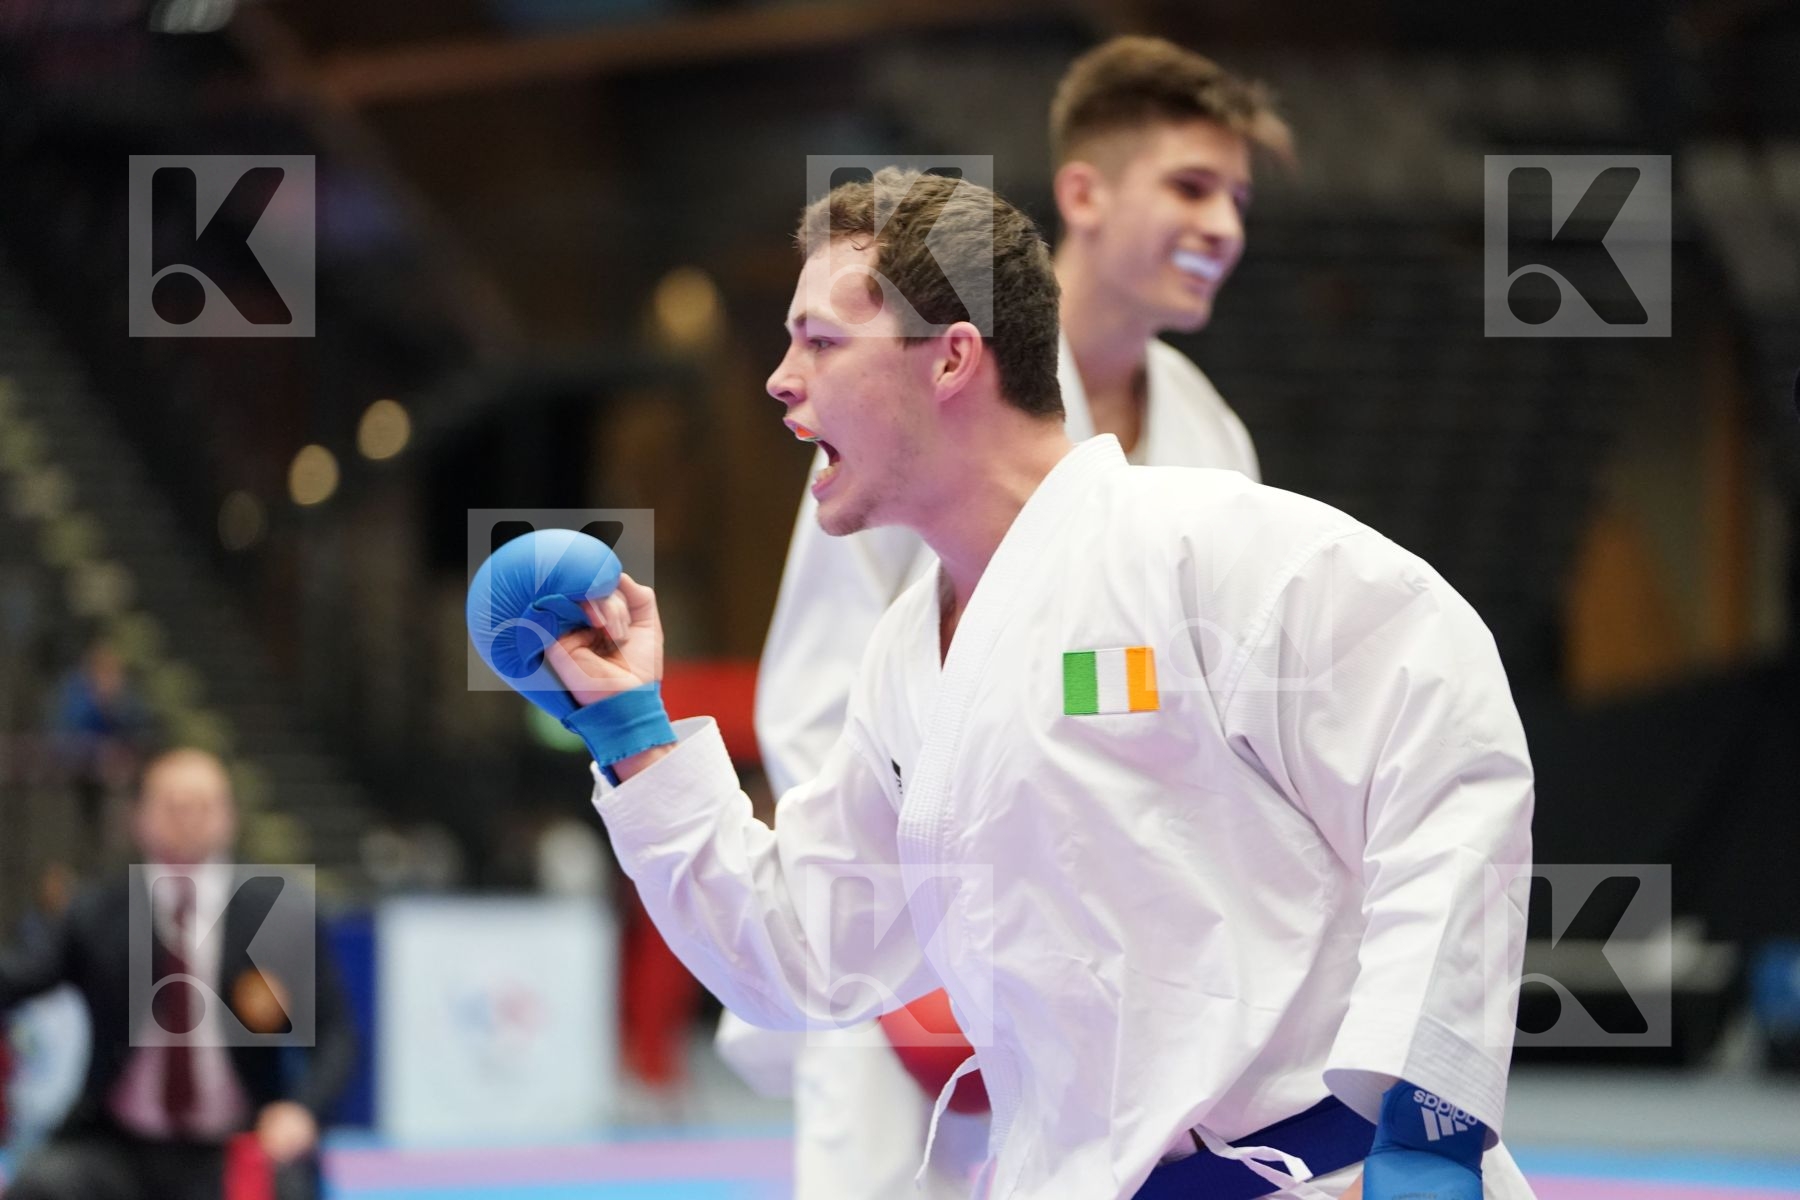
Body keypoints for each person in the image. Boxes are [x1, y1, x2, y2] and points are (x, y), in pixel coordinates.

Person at [524, 169, 1538, 1199]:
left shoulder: (1216, 551)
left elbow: (1451, 768)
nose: (782, 380)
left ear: (951, 358)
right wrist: (632, 731)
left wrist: (1432, 1118)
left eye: (822, 341)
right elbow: (804, 951)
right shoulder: (905, 661)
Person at [734, 36, 1296, 1196]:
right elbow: (817, 692)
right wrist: (917, 925)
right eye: (1192, 187)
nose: (1227, 227)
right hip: (907, 937)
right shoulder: (895, 414)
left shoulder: (1214, 442)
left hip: (1120, 964)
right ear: (1084, 192)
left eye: (1237, 198)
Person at [0, 748, 357, 1200]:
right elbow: (16, 979)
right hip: (117, 1146)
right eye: (172, 805)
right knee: (40, 1187)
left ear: (229, 817)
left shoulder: (278, 911)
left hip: (237, 1142)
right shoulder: (97, 911)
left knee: (287, 1187)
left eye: (203, 806)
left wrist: (301, 1110)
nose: (187, 818)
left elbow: (335, 1035)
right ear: (141, 817)